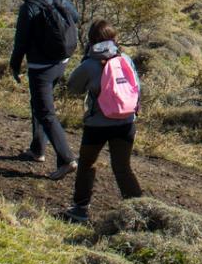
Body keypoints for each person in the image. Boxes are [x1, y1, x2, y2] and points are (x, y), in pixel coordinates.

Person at [61, 19, 143, 223]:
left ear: (91, 41)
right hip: (126, 121)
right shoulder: (125, 59)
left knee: (87, 164)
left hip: (97, 124)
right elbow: (137, 87)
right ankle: (140, 211)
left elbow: (72, 87)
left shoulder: (89, 64)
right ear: (114, 39)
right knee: (123, 167)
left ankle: (80, 208)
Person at [9, 0, 79, 178]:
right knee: (39, 104)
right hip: (62, 61)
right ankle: (37, 149)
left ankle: (66, 159)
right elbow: (75, 18)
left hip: (41, 67)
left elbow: (20, 41)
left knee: (45, 111)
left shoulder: (29, 6)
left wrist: (15, 64)